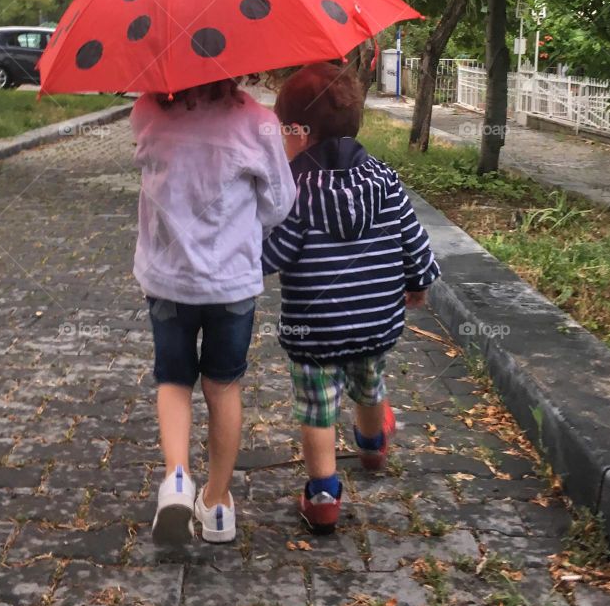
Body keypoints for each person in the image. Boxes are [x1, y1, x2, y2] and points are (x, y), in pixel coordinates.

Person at [262, 62, 440, 533]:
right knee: (369, 383)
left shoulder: (296, 191)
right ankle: (372, 446)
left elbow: (274, 254)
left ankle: (323, 495)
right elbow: (412, 238)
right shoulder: (385, 179)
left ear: (300, 135)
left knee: (318, 409)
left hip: (315, 329)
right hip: (375, 321)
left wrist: (243, 258)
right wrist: (418, 281)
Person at [132, 78, 296, 546]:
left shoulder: (148, 112)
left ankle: (176, 480)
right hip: (231, 283)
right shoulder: (259, 123)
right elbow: (280, 204)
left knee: (173, 380)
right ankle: (218, 504)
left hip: (168, 281)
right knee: (223, 386)